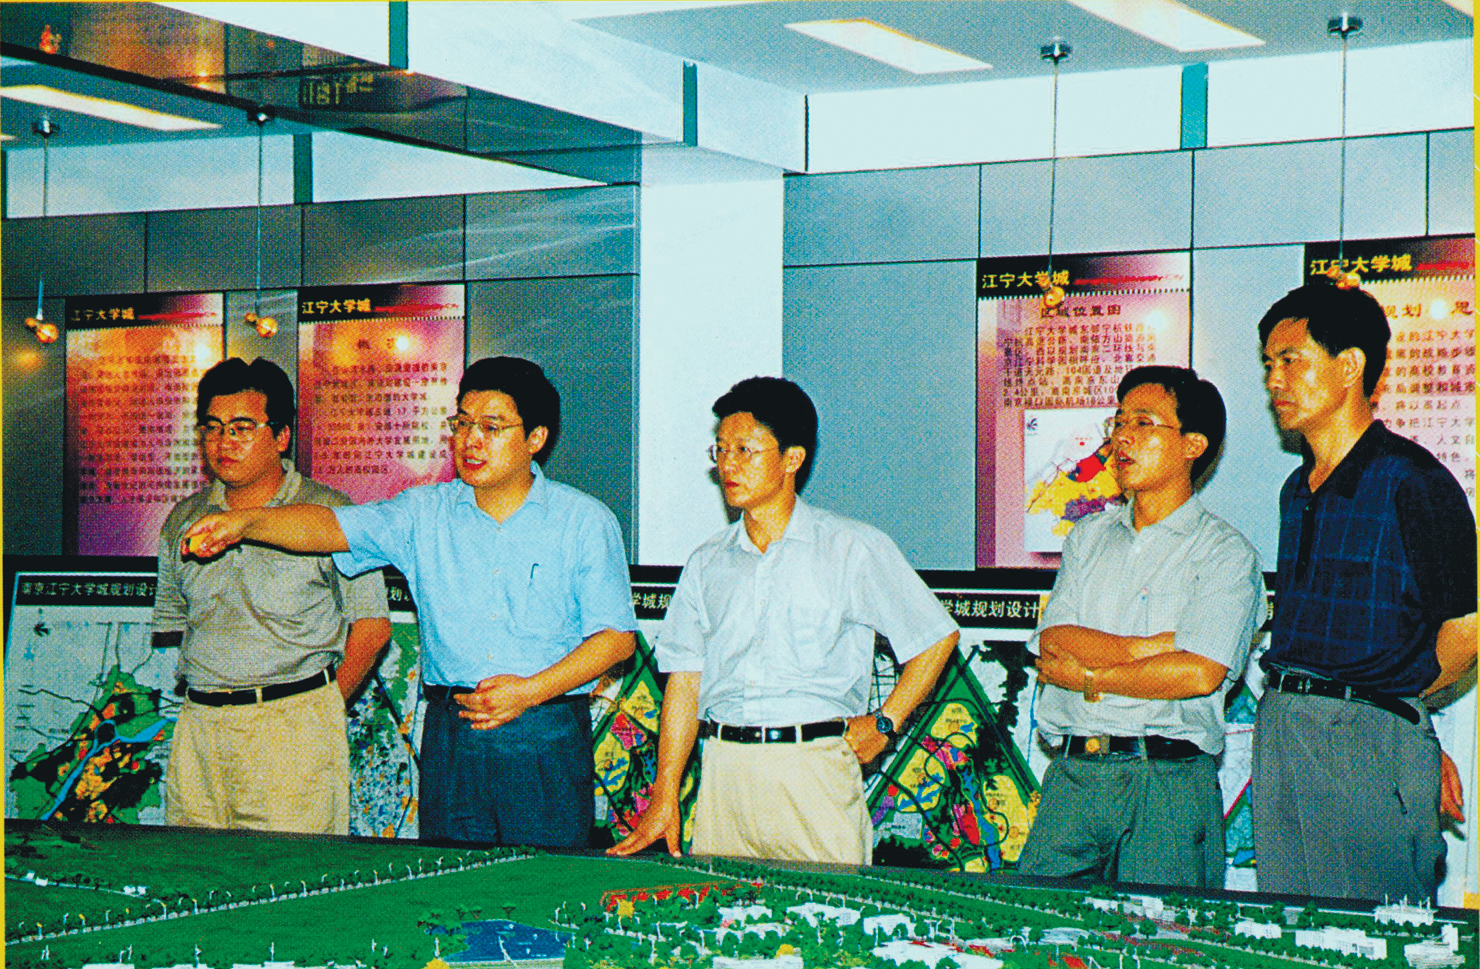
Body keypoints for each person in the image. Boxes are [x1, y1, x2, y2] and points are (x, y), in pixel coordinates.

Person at [182, 356, 638, 846]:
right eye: (462, 424)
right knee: (447, 881)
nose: (471, 441)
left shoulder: (583, 521)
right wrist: (245, 524)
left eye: (491, 427)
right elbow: (330, 527)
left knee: (544, 880)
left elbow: (616, 639)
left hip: (544, 730)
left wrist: (528, 692)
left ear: (536, 438)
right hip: (452, 733)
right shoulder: (423, 512)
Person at [609, 376, 959, 865]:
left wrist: (886, 722)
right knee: (722, 909)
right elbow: (685, 683)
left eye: (745, 450)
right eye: (721, 450)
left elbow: (934, 637)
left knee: (829, 911)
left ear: (792, 458)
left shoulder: (851, 547)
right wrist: (665, 793)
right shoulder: (707, 561)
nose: (728, 465)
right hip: (724, 771)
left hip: (812, 771)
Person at [1254, 282, 1477, 900]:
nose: (1274, 380)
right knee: (1285, 929)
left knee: (1365, 931)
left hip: (1363, 741)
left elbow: (1466, 630)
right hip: (1284, 726)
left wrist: (1391, 707)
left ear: (1350, 365)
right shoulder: (1295, 489)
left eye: (1290, 360)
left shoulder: (1415, 481)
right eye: (1269, 364)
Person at [1019, 365, 1263, 889]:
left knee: (1165, 934)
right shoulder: (1086, 537)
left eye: (1143, 423)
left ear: (1193, 444)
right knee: (1038, 924)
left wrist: (1090, 678)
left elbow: (1197, 674)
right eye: (1119, 421)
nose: (1121, 437)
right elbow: (1055, 642)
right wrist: (1153, 649)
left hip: (1166, 783)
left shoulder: (1224, 553)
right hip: (1073, 780)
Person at [154, 357, 391, 835]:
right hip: (199, 730)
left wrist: (322, 707)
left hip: (292, 730)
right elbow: (176, 624)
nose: (224, 442)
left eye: (242, 428)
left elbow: (373, 627)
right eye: (212, 427)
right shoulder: (183, 518)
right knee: (192, 873)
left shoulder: (329, 513)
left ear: (281, 437)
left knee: (287, 875)